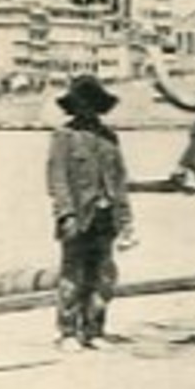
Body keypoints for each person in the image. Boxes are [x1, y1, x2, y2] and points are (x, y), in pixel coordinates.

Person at [46, 74, 135, 351]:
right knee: (73, 274)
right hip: (77, 216)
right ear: (74, 106)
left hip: (105, 218)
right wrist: (66, 214)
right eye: (82, 103)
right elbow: (57, 179)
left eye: (93, 103)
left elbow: (119, 180)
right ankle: (68, 332)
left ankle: (95, 330)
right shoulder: (64, 137)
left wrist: (126, 219)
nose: (88, 109)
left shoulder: (110, 138)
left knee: (104, 274)